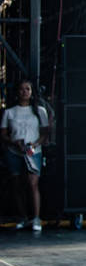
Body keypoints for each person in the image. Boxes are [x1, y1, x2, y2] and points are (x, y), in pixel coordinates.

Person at [1, 80, 50, 231]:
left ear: (31, 91)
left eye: (27, 89)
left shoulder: (40, 110)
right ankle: (22, 217)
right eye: (21, 89)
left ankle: (36, 218)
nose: (24, 92)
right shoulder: (9, 112)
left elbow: (45, 133)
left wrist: (34, 145)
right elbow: (2, 133)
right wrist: (14, 142)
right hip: (14, 151)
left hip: (33, 151)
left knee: (33, 183)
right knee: (16, 184)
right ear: (17, 92)